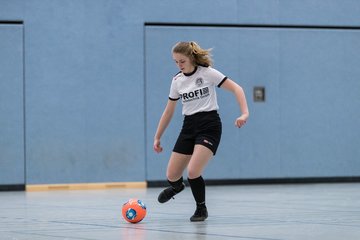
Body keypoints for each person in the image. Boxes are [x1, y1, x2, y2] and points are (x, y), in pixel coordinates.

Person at [153, 41, 249, 222]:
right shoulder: (177, 81)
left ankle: (201, 208)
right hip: (188, 126)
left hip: (209, 125)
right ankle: (177, 187)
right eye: (175, 62)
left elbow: (237, 88)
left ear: (191, 58)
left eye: (182, 61)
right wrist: (157, 137)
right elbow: (168, 111)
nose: (179, 65)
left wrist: (244, 113)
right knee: (172, 175)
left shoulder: (207, 73)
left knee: (193, 171)